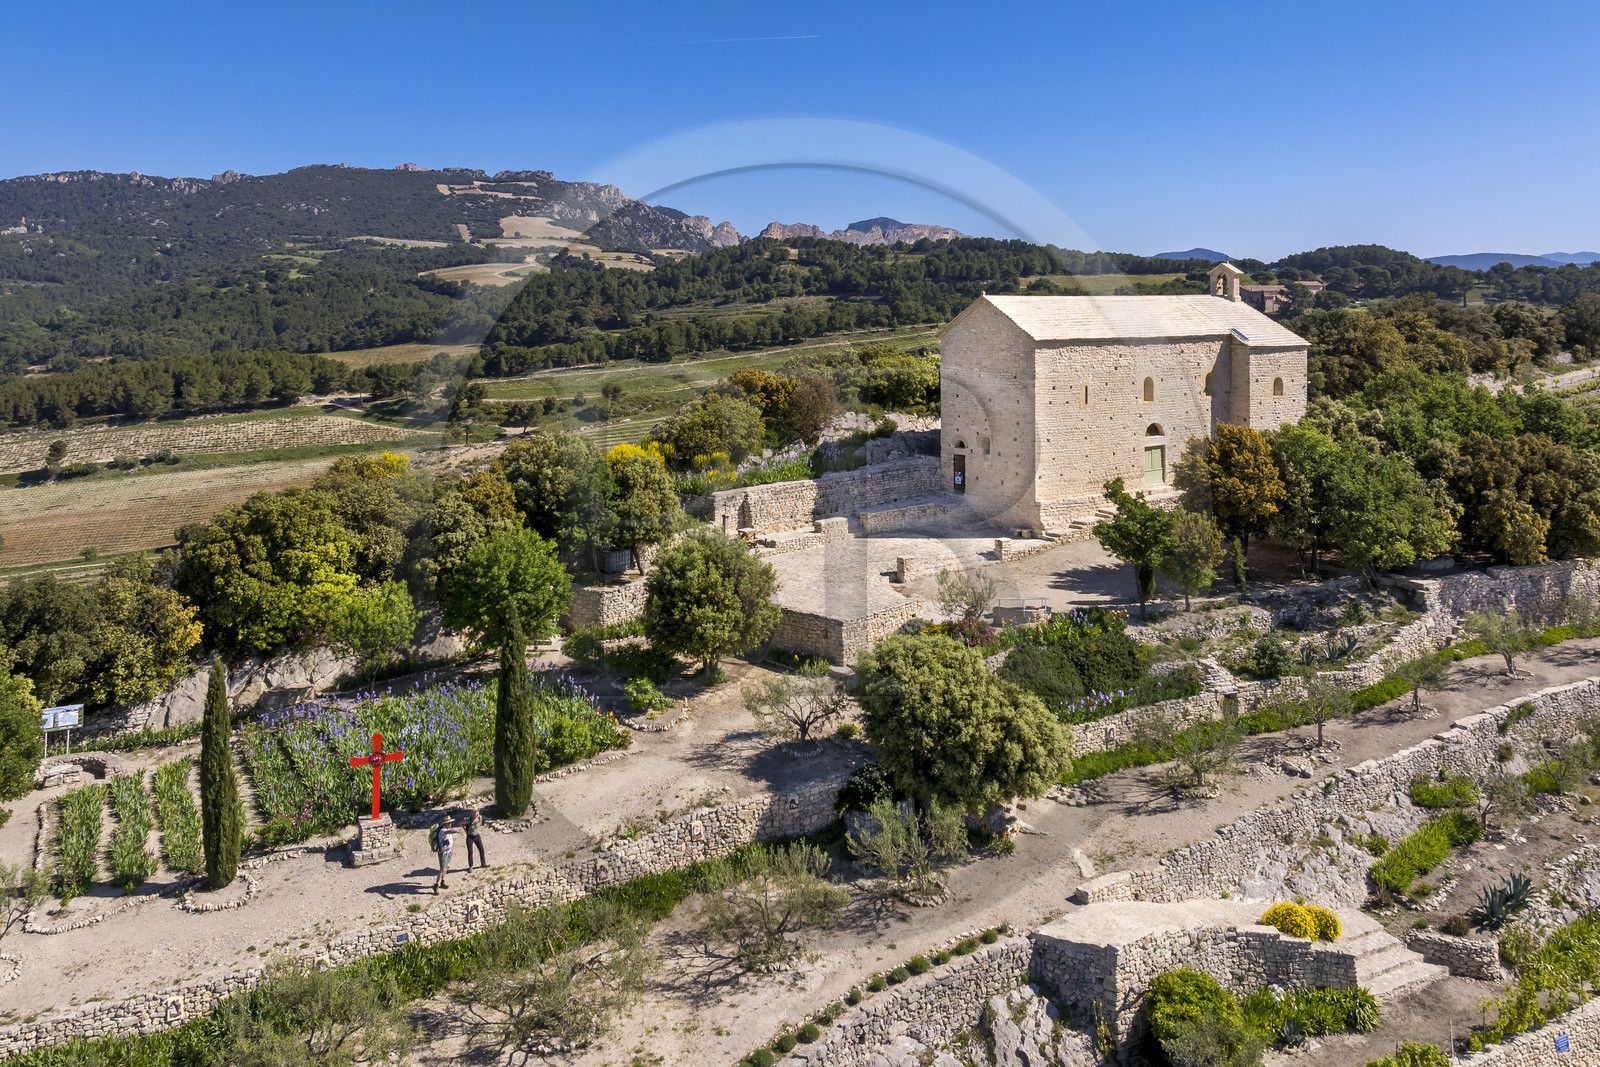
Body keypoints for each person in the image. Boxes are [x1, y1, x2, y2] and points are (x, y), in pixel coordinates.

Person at [432, 815, 455, 894]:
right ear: (445, 823)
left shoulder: (447, 829)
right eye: (449, 823)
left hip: (448, 851)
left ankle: (443, 881)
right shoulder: (442, 830)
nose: (450, 824)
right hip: (443, 852)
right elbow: (448, 832)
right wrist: (456, 831)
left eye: (451, 823)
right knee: (442, 869)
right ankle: (436, 885)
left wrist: (450, 849)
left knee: (445, 867)